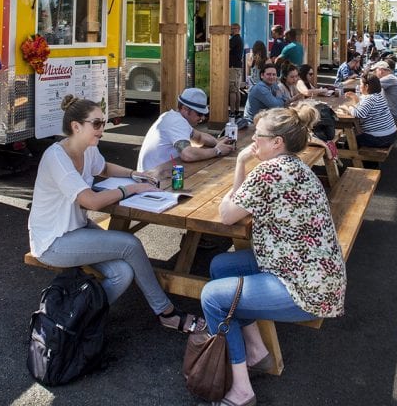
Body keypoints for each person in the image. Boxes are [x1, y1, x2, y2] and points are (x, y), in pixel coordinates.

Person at [200, 103, 346, 406]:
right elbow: (238, 208)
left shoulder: (269, 172)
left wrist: (240, 163)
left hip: (305, 289)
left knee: (212, 296)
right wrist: (242, 165)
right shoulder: (295, 165)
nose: (254, 140)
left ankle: (242, 391)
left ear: (277, 142)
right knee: (221, 266)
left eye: (259, 135)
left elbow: (228, 214)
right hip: (313, 271)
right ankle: (256, 351)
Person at [28, 95, 204, 332]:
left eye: (104, 122)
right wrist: (131, 188)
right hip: (53, 241)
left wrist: (134, 174)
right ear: (76, 126)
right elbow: (91, 201)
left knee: (122, 272)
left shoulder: (88, 148)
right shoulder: (56, 157)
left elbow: (103, 168)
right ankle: (166, 312)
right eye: (97, 124)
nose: (103, 129)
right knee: (130, 245)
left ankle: (80, 318)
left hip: (75, 229)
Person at [137, 87, 233, 171]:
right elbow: (187, 154)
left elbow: (199, 137)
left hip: (158, 172)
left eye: (204, 114)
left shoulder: (172, 116)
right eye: (199, 114)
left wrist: (217, 142)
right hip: (153, 178)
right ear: (185, 109)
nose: (203, 118)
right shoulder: (177, 122)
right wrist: (217, 151)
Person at [341, 74, 397, 148]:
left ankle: (362, 158)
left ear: (366, 87)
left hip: (380, 138)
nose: (359, 86)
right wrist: (355, 98)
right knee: (357, 136)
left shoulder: (370, 99)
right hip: (391, 135)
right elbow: (363, 109)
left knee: (349, 143)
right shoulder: (378, 96)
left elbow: (359, 113)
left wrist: (347, 108)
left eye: (360, 84)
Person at [372, 59, 397, 124]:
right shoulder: (391, 78)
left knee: (363, 115)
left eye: (375, 71)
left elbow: (369, 84)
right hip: (393, 115)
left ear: (381, 70)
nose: (374, 73)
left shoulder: (389, 78)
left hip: (392, 118)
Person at [229, 23, 245, 115]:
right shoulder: (239, 39)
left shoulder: (235, 39)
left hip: (233, 67)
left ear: (236, 29)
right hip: (237, 67)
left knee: (232, 90)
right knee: (236, 89)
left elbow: (225, 49)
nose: (230, 30)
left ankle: (232, 112)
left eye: (231, 28)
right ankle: (237, 111)